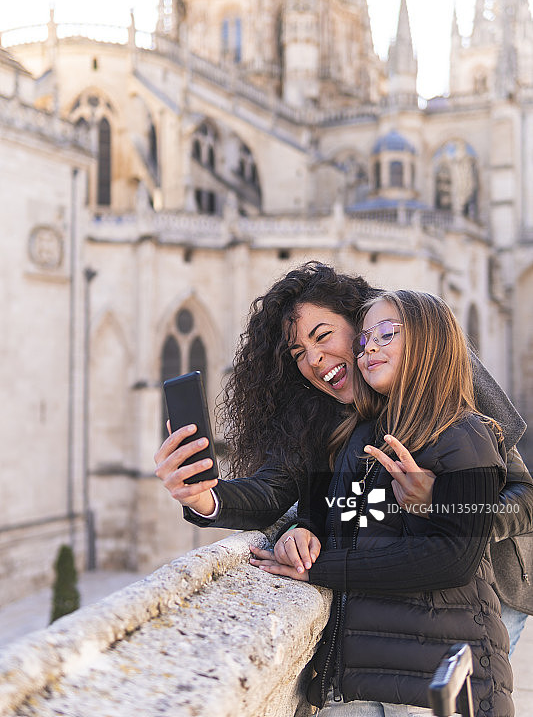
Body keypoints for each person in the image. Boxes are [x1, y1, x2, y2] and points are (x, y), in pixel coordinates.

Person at [154, 262, 533, 650]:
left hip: (494, 587)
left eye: (324, 336)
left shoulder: (437, 361)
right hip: (399, 600)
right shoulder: (321, 407)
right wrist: (205, 496)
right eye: (298, 352)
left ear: (361, 323)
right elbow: (275, 489)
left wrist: (442, 502)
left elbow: (526, 496)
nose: (314, 360)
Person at [250, 289, 515, 715]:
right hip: (357, 682)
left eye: (388, 333)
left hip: (439, 688)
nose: (369, 346)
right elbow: (330, 519)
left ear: (430, 341)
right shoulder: (360, 438)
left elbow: (454, 559)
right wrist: (298, 534)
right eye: (364, 339)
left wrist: (320, 569)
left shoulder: (466, 434)